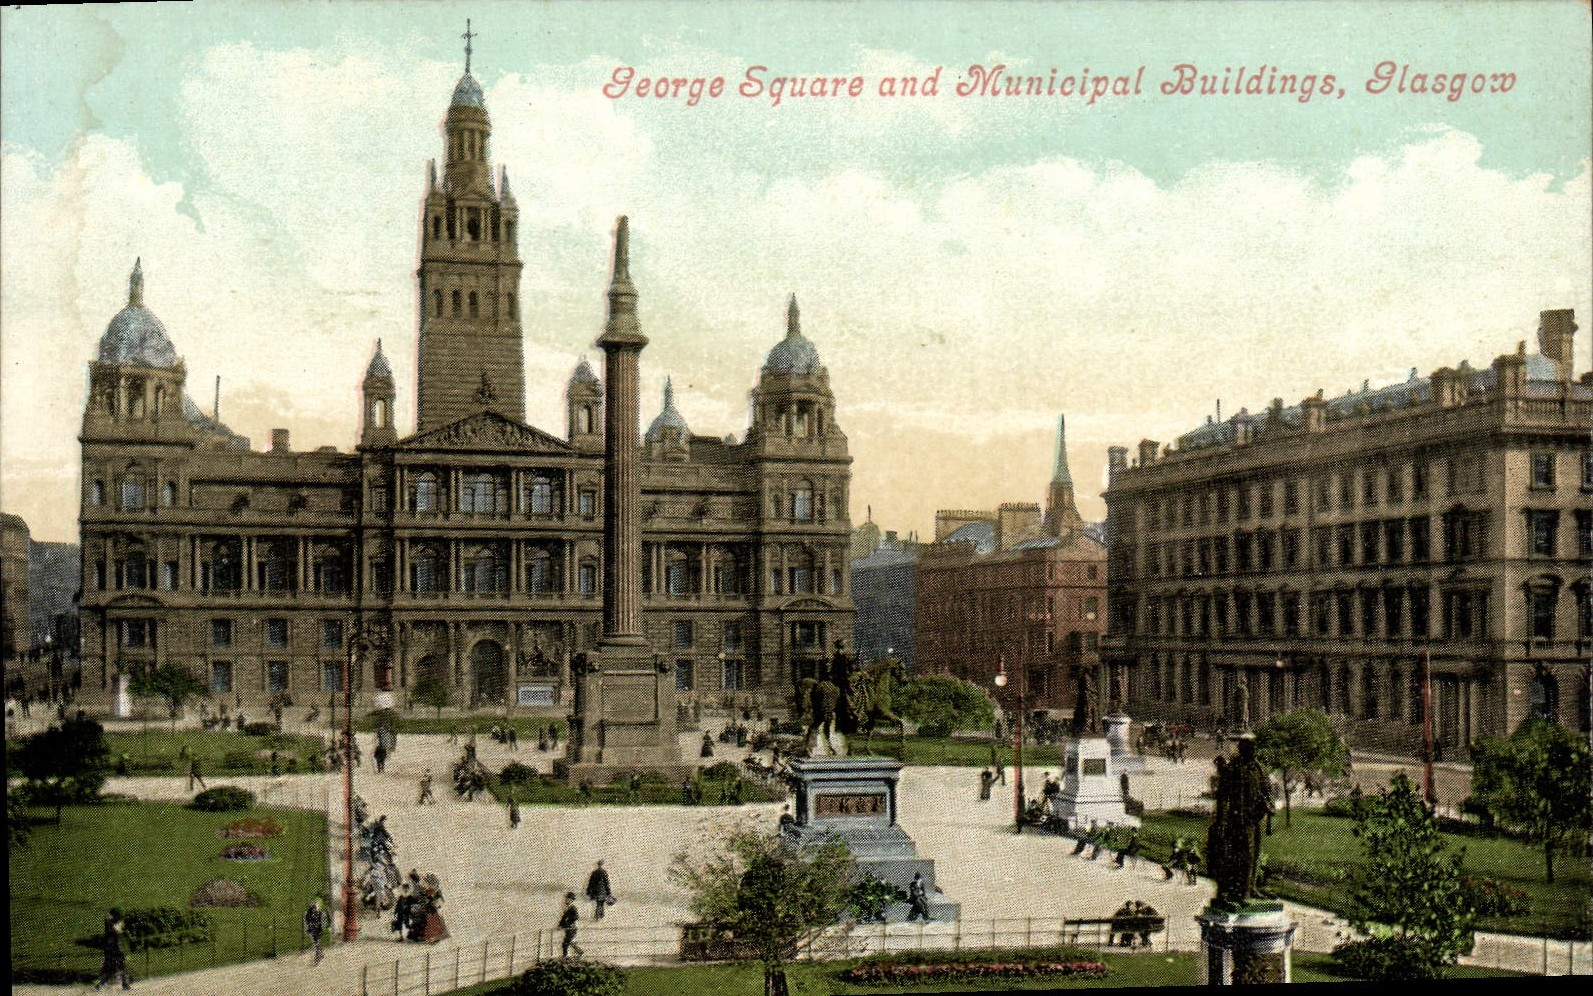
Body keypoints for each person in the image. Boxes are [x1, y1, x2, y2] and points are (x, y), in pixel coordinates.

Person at [95, 908, 130, 990]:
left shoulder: (118, 924)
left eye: (109, 915)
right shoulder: (108, 927)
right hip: (110, 949)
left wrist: (110, 923)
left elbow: (117, 930)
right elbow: (108, 938)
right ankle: (101, 984)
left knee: (119, 967)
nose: (108, 916)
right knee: (109, 968)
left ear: (114, 916)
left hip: (117, 950)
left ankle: (125, 985)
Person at [302, 897, 328, 965]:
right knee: (316, 943)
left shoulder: (320, 913)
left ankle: (317, 956)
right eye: (312, 906)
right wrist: (307, 929)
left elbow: (323, 921)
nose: (313, 908)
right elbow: (306, 921)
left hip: (318, 929)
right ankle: (319, 953)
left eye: (314, 906)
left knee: (316, 943)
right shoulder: (308, 913)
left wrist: (322, 927)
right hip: (313, 929)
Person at [559, 892, 584, 958]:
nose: (566, 900)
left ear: (571, 900)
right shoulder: (567, 908)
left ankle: (565, 957)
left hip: (572, 928)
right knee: (568, 942)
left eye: (568, 899)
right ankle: (579, 952)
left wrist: (568, 922)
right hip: (569, 929)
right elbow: (564, 918)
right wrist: (561, 925)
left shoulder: (573, 908)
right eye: (566, 898)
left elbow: (576, 917)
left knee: (565, 943)